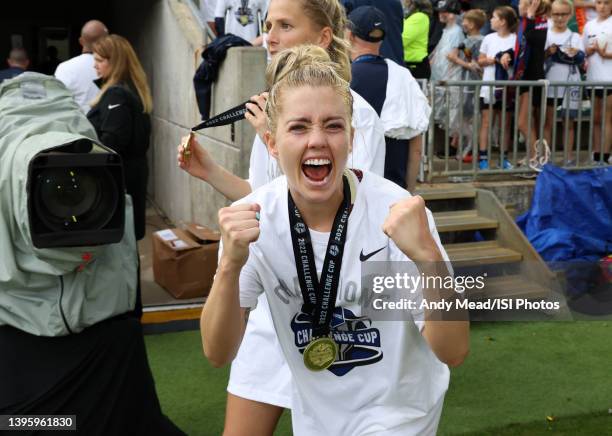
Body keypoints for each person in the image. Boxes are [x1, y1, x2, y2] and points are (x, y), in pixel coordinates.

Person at [198, 47, 469, 436]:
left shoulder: (395, 214)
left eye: (333, 126)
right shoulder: (256, 219)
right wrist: (229, 267)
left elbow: (454, 351)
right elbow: (218, 352)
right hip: (319, 416)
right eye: (299, 127)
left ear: (352, 139)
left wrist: (427, 257)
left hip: (399, 411)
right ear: (272, 143)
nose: (317, 141)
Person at [179, 1, 386, 433]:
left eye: (285, 25)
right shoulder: (272, 114)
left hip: (335, 314)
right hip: (271, 306)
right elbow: (266, 204)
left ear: (324, 37)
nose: (270, 37)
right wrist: (210, 171)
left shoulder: (356, 117)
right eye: (268, 24)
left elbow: (345, 219)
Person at [346, 5, 431, 191]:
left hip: (350, 194)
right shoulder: (404, 77)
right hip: (394, 192)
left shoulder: (342, 79)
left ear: (349, 35)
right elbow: (416, 148)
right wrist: (408, 192)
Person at [87, 34, 153, 241]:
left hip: (120, 178)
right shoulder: (128, 89)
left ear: (114, 62)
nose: (94, 66)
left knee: (122, 240)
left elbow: (111, 142)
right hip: (130, 174)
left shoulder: (117, 93)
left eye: (99, 60)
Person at [499, 0, 551, 171]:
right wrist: (507, 54)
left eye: (522, 3)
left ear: (531, 6)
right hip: (524, 76)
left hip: (533, 77)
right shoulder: (526, 23)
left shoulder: (540, 24)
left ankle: (536, 156)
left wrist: (530, 15)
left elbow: (530, 40)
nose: (518, 6)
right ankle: (533, 155)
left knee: (523, 122)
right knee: (527, 121)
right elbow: (522, 48)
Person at [543, 0, 586, 165]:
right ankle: (546, 158)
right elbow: (539, 57)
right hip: (550, 82)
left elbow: (581, 59)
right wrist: (548, 52)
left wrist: (576, 53)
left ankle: (568, 157)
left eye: (563, 14)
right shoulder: (546, 34)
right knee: (548, 121)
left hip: (570, 84)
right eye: (556, 14)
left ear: (570, 15)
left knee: (569, 122)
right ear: (550, 14)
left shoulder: (575, 36)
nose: (559, 18)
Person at [477, 6, 517, 170]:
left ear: (503, 21)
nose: (491, 20)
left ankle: (503, 158)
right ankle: (483, 158)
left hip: (506, 87)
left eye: (494, 17)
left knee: (505, 123)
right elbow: (480, 60)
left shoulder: (515, 38)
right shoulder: (488, 38)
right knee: (486, 122)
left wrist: (508, 58)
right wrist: (494, 60)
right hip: (488, 85)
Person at [446, 9, 487, 162]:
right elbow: (451, 55)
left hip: (473, 84)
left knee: (470, 117)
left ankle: (469, 150)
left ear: (472, 24)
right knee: (465, 117)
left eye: (466, 21)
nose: (463, 23)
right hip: (466, 81)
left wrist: (468, 65)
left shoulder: (479, 40)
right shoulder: (466, 40)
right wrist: (468, 65)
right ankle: (465, 149)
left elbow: (452, 56)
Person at [430, 0, 465, 150]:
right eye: (440, 11)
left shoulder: (456, 31)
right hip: (441, 78)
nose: (441, 14)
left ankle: (454, 145)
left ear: (453, 14)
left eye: (444, 11)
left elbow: (453, 55)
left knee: (453, 112)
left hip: (450, 78)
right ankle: (451, 145)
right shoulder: (446, 30)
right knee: (446, 112)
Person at [55, 20, 109, 113]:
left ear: (81, 41)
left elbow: (58, 103)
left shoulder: (65, 68)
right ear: (108, 41)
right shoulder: (116, 66)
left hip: (79, 125)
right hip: (110, 123)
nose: (96, 67)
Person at [583, 0, 612, 165]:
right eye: (599, 2)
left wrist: (606, 54)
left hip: (609, 77)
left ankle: (605, 155)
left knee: (607, 118)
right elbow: (583, 50)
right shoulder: (589, 25)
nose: (602, 6)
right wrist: (589, 50)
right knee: (595, 117)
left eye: (606, 3)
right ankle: (596, 153)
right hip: (593, 78)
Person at [341, 0, 406, 65]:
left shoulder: (348, 2)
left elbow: (342, 33)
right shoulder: (395, 3)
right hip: (394, 61)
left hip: (361, 64)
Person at [402, 0, 433, 78]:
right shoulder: (411, 17)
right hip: (410, 65)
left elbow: (402, 39)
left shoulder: (419, 16)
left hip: (415, 66)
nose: (404, 2)